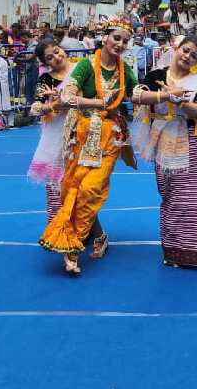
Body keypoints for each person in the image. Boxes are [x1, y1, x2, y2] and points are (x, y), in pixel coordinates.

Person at [38, 18, 136, 276]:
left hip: (109, 138)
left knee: (91, 190)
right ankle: (97, 236)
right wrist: (96, 103)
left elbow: (136, 93)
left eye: (125, 41)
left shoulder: (126, 69)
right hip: (80, 136)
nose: (120, 44)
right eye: (116, 38)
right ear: (105, 37)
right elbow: (68, 95)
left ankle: (73, 249)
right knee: (72, 189)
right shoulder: (84, 66)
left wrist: (163, 95)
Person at [131, 36, 197, 267]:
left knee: (194, 199)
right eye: (185, 50)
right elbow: (136, 96)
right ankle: (174, 250)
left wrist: (180, 102)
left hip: (191, 143)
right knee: (171, 196)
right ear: (176, 49)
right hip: (162, 142)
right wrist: (166, 95)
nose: (187, 56)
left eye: (193, 55)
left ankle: (194, 251)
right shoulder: (156, 75)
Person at [28, 40, 75, 223]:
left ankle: (81, 227)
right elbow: (35, 108)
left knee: (82, 186)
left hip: (82, 132)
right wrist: (54, 105)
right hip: (56, 137)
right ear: (45, 63)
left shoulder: (81, 69)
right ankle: (56, 228)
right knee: (56, 186)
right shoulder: (46, 80)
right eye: (50, 57)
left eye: (57, 51)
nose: (57, 57)